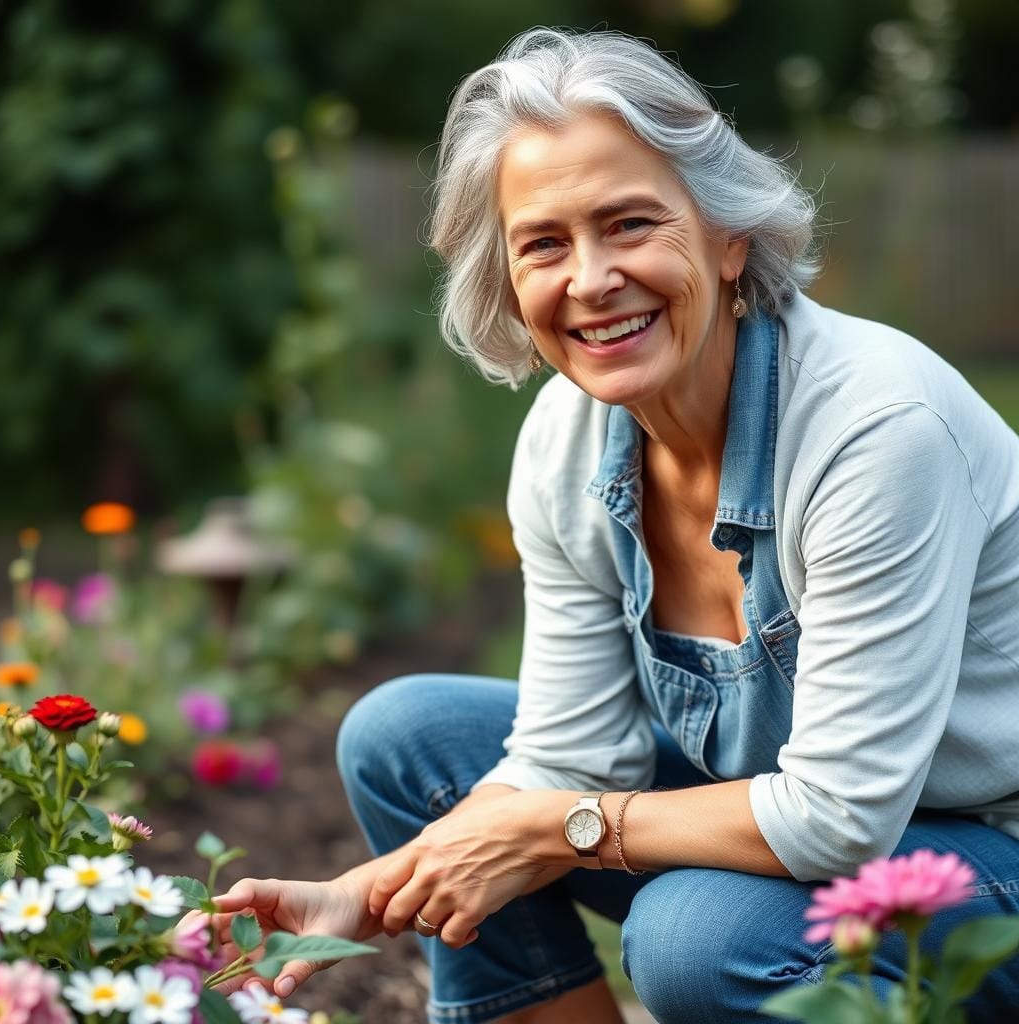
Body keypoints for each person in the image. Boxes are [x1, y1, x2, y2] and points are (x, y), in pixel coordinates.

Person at [210, 27, 1019, 1024]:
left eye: (630, 224)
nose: (589, 279)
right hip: (808, 816)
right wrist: (363, 897)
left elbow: (838, 817)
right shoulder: (566, 437)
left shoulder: (875, 432)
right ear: (507, 279)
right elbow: (568, 757)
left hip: (987, 847)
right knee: (406, 741)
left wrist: (564, 827)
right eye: (544, 243)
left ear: (729, 238)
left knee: (694, 937)